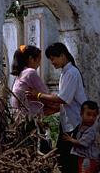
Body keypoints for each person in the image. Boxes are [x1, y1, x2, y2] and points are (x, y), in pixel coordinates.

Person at [26, 42, 87, 173]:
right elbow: (67, 102)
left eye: (53, 58)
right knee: (64, 159)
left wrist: (38, 95)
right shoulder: (66, 73)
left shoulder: (71, 73)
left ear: (63, 55)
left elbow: (63, 98)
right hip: (69, 123)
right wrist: (50, 110)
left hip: (75, 124)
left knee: (68, 161)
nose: (52, 62)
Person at [10, 44, 53, 117]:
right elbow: (46, 94)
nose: (39, 64)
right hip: (30, 117)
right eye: (38, 61)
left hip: (18, 116)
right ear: (31, 59)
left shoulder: (19, 75)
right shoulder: (30, 72)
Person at [63, 101, 100, 173]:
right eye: (88, 114)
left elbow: (83, 143)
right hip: (82, 157)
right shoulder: (82, 126)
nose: (91, 118)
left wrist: (71, 139)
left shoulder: (91, 130)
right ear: (81, 114)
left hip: (88, 159)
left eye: (94, 115)